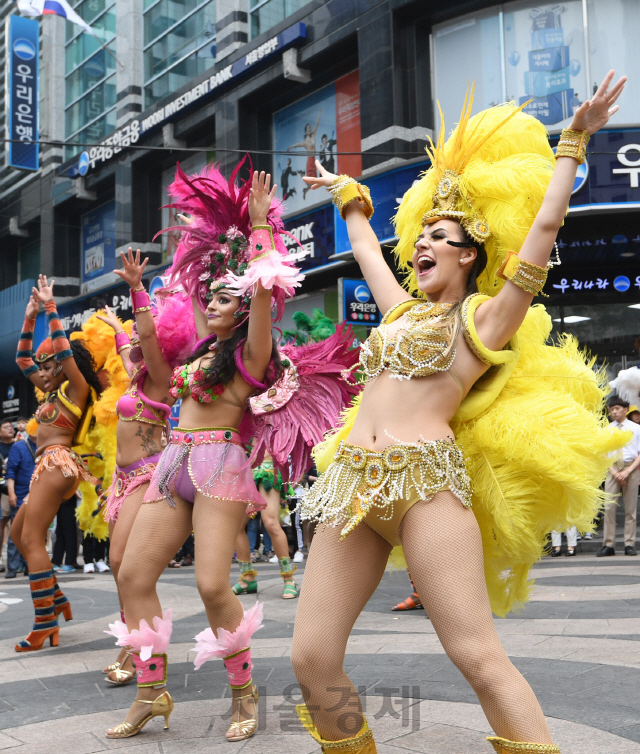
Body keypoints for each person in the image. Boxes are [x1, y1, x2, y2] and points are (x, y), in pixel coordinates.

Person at [292, 72, 627, 754]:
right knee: (310, 656)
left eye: (437, 237)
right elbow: (364, 248)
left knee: (476, 655)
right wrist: (347, 197)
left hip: (426, 490)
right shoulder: (400, 312)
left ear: (469, 254)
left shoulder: (481, 321)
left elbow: (543, 229)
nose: (419, 246)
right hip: (352, 487)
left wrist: (574, 140)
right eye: (419, 237)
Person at [105, 168, 303, 743]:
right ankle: (151, 691)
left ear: (241, 313)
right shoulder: (197, 356)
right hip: (172, 465)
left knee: (213, 587)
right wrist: (145, 287)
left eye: (222, 299)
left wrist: (262, 222)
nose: (211, 303)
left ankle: (244, 694)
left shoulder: (251, 358)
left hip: (220, 465)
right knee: (134, 574)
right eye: (210, 297)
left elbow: (264, 288)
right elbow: (154, 341)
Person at [95, 252, 194, 686]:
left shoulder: (160, 373)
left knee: (122, 561)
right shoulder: (139, 376)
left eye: (146, 324)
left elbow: (148, 340)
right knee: (120, 566)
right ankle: (131, 641)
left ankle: (141, 650)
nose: (138, 332)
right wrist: (117, 329)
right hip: (122, 480)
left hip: (148, 475)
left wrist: (137, 287)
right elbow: (128, 347)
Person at [11, 275, 103, 652]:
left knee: (33, 539)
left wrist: (51, 307)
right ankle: (56, 598)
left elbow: (66, 352)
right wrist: (29, 316)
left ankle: (44, 622)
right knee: (19, 534)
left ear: (65, 367)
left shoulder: (76, 390)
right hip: (45, 468)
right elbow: (21, 358)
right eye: (42, 368)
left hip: (57, 464)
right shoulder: (50, 391)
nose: (44, 373)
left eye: (51, 367)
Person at [233, 454, 299, 598]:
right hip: (244, 470)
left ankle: (289, 579)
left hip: (268, 469)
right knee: (236, 527)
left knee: (271, 524)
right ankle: (247, 577)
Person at [597, 396, 640, 557]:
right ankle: (609, 545)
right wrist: (615, 473)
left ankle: (629, 544)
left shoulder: (636, 428)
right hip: (613, 470)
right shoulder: (607, 430)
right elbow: (603, 453)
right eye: (611, 409)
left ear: (625, 409)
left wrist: (627, 472)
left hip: (631, 468)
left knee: (630, 510)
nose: (614, 411)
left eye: (617, 408)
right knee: (609, 509)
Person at [5, 429, 36, 578]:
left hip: (38, 497)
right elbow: (10, 473)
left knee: (34, 533)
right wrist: (11, 493)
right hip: (20, 496)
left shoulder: (46, 446)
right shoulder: (18, 447)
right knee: (15, 533)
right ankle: (11, 568)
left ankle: (30, 565)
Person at [0, 418, 15, 573]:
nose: (10, 429)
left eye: (11, 427)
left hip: (20, 487)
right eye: (6, 427)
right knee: (3, 521)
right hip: (3, 489)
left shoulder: (19, 444)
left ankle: (18, 561)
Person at [52, 494, 79, 573]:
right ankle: (56, 561)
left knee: (69, 531)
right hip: (61, 497)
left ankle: (70, 563)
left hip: (69, 495)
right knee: (59, 532)